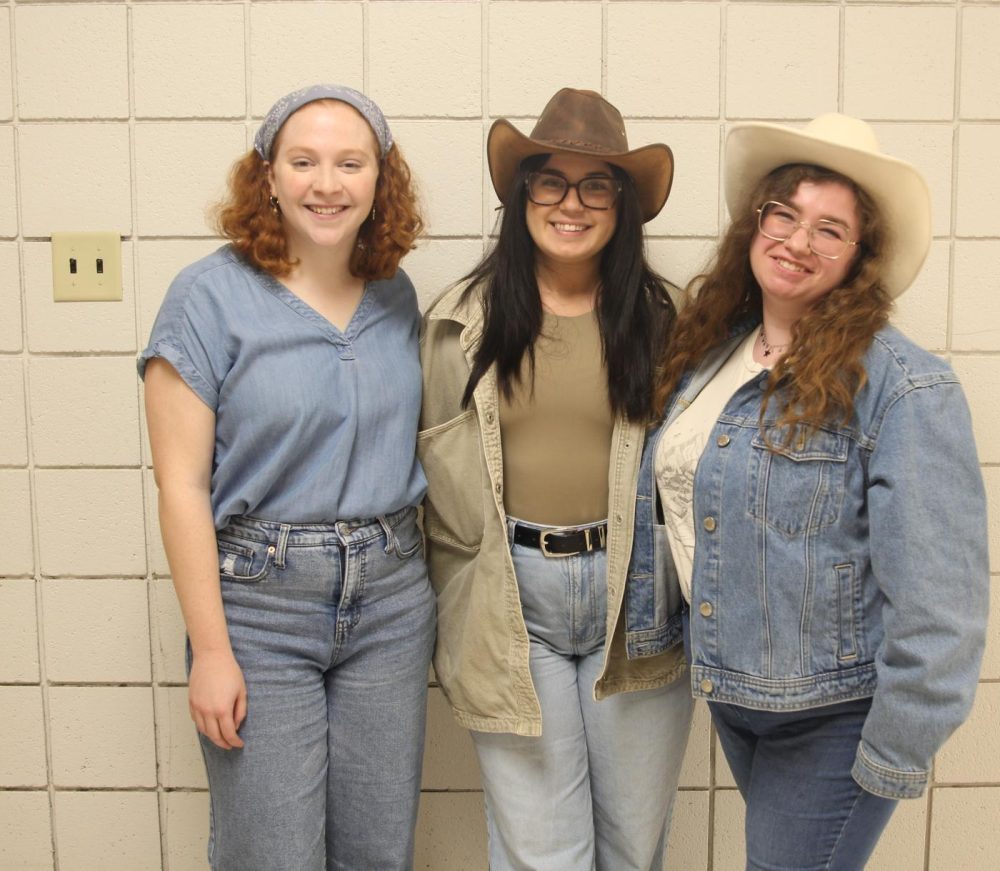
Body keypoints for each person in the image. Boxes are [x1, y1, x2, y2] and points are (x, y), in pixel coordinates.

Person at [629, 114, 989, 870]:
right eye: (785, 214)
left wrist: (892, 753)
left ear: (860, 257)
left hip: (835, 717)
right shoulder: (712, 356)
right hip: (736, 694)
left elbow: (939, 602)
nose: (797, 241)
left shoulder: (902, 386)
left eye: (830, 229)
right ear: (755, 223)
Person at [139, 84, 434, 870]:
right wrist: (211, 649)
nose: (326, 184)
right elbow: (180, 487)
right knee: (271, 851)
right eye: (303, 162)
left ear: (380, 179)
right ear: (267, 176)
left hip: (393, 601)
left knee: (378, 849)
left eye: (350, 163)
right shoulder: (208, 296)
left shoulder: (394, 293)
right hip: (260, 605)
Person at [418, 88, 694, 870]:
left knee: (632, 848)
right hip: (512, 604)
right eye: (551, 182)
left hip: (636, 600)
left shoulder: (670, 324)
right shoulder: (454, 325)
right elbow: (424, 495)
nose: (571, 204)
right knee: (545, 853)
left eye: (596, 185)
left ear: (621, 205)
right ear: (522, 193)